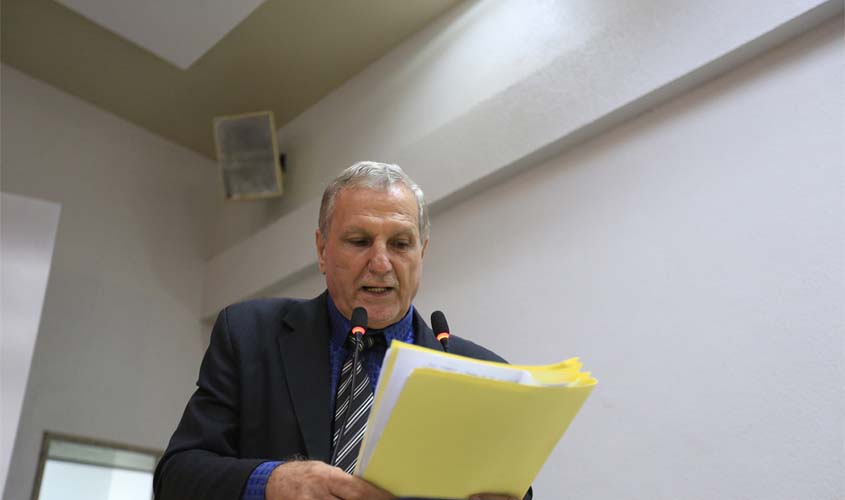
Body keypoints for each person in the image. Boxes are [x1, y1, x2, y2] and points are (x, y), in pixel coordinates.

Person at [153, 162, 531, 500]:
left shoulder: (485, 372)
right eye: (359, 241)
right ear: (322, 250)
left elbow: (518, 490)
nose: (380, 263)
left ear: (422, 253)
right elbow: (176, 477)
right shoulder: (249, 335)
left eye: (400, 244)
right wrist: (272, 481)